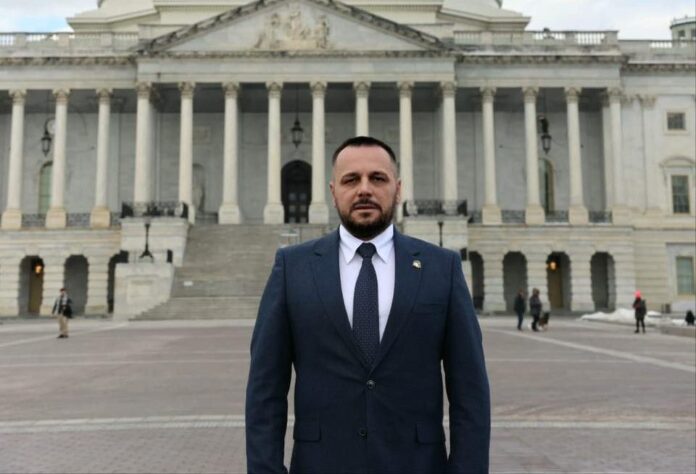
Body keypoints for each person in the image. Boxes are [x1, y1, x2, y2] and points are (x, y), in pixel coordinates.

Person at [246, 136, 490, 474]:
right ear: (333, 191)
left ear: (397, 189)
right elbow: (265, 392)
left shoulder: (441, 268)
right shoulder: (292, 268)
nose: (364, 190)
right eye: (351, 180)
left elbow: (470, 392)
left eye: (377, 178)